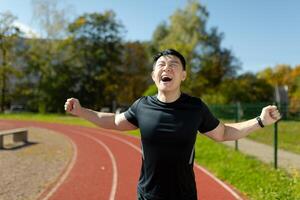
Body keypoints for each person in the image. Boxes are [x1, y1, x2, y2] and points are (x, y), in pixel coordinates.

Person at [64, 49, 281, 200]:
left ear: (183, 75)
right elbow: (113, 120)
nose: (166, 68)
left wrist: (260, 121)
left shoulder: (195, 108)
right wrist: (82, 111)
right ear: (153, 75)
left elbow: (223, 132)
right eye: (161, 65)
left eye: (173, 65)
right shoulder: (142, 106)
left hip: (184, 196)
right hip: (148, 195)